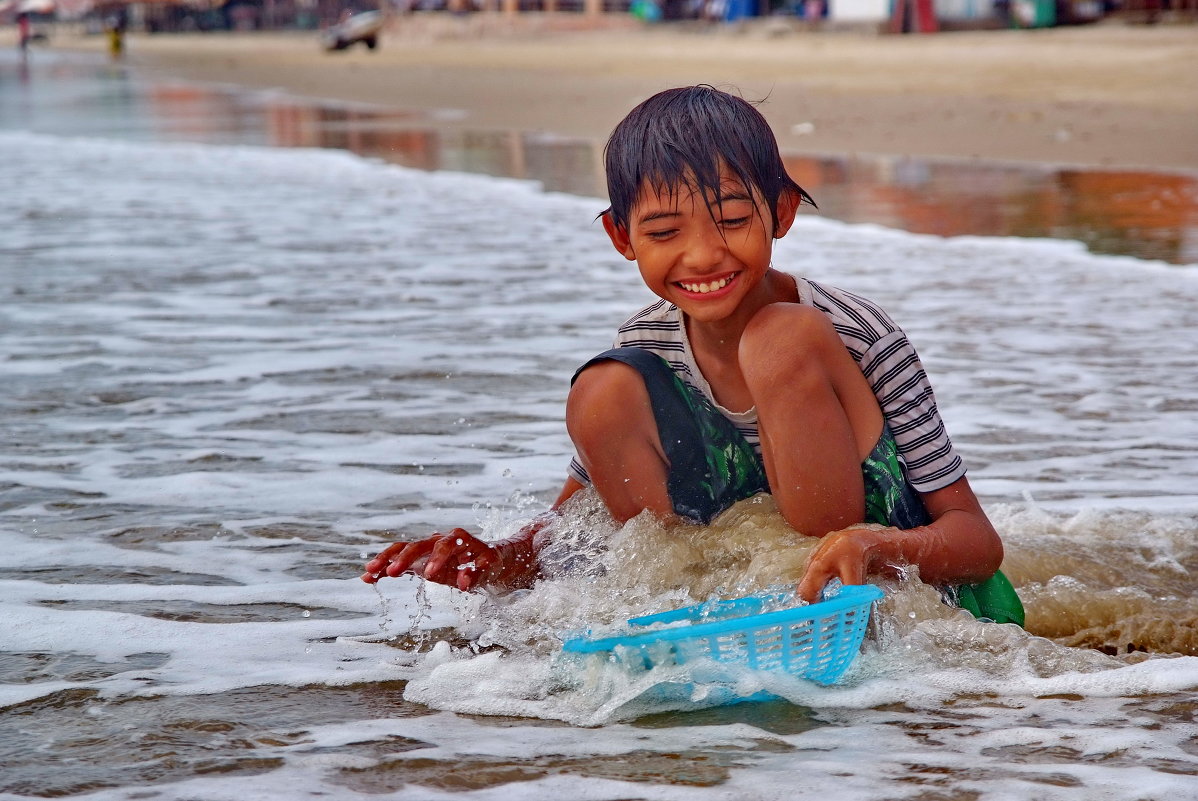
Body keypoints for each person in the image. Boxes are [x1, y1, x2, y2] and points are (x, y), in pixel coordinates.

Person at [363, 85, 1022, 625]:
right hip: (750, 608)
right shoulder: (643, 348)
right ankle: (685, 605)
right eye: (664, 231)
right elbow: (571, 527)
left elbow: (975, 539)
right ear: (622, 237)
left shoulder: (857, 331)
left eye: (733, 220)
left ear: (782, 212)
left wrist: (879, 545)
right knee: (603, 387)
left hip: (888, 594)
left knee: (780, 335)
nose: (704, 256)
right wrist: (492, 558)